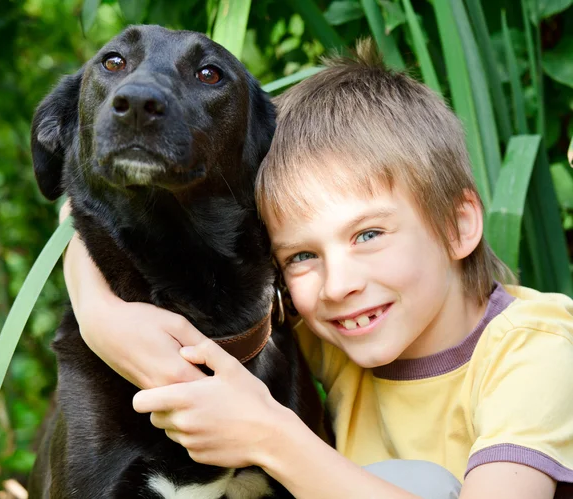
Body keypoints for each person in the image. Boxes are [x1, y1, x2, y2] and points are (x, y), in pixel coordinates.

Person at [60, 40, 573, 498]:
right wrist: (100, 315)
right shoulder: (347, 331)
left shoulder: (538, 350)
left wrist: (268, 434)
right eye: (301, 256)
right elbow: (82, 209)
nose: (339, 283)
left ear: (459, 226)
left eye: (368, 235)